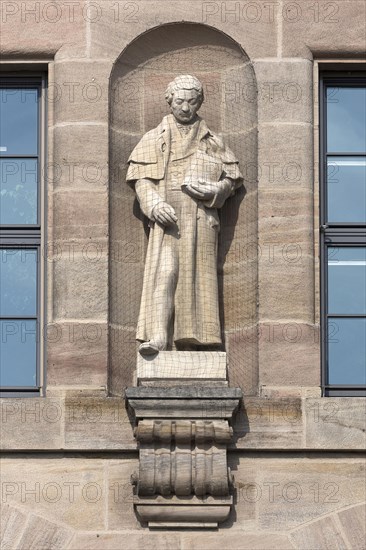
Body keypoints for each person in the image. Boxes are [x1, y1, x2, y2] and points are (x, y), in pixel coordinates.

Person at [127, 75, 242, 355]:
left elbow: (231, 180)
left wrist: (215, 189)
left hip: (201, 218)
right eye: (180, 101)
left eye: (191, 102)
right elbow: (142, 180)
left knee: (198, 279)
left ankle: (192, 344)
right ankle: (157, 337)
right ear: (170, 102)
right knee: (165, 273)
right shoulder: (154, 138)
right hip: (168, 219)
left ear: (199, 103)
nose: (186, 108)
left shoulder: (213, 140)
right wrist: (153, 204)